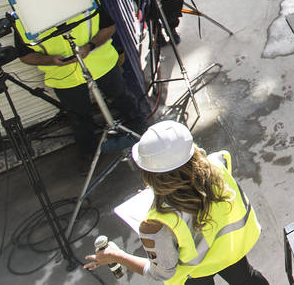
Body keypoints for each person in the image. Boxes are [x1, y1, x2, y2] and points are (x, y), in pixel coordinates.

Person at [84, 121, 268, 285]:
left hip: (194, 273)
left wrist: (116, 256)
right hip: (229, 250)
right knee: (246, 278)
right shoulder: (217, 164)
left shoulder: (154, 224)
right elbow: (195, 187)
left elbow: (160, 272)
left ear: (149, 174)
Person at [14, 1, 147, 160]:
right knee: (79, 118)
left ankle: (142, 131)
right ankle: (89, 154)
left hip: (101, 63)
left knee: (122, 97)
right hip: (65, 77)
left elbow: (109, 27)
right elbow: (25, 56)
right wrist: (50, 60)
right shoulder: (22, 21)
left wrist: (90, 46)